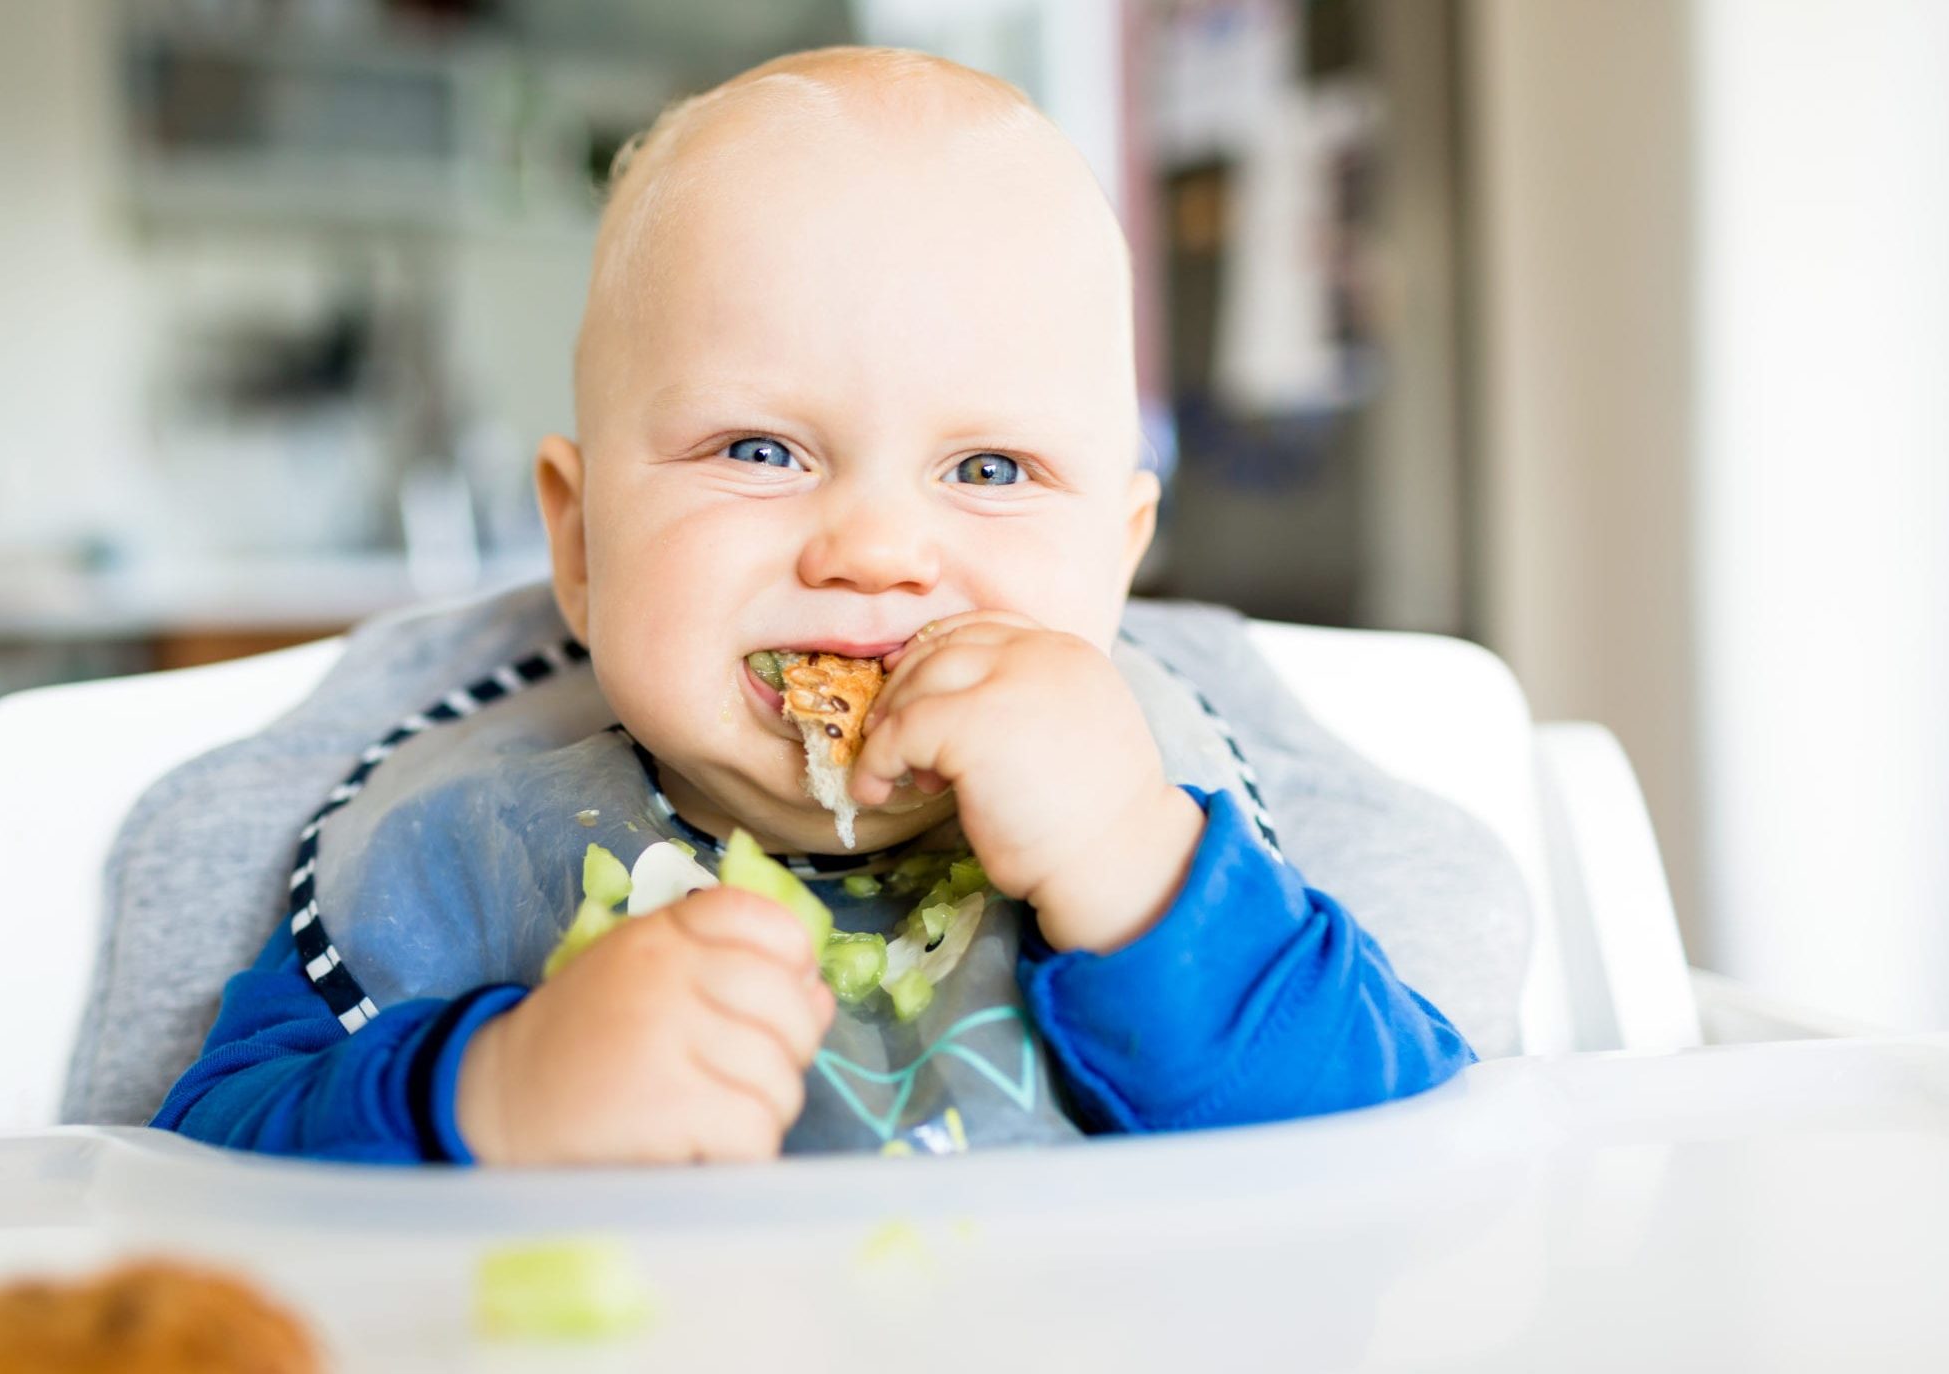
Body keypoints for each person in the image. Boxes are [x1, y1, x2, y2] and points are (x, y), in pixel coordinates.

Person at [135, 48, 1520, 1165]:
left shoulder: (1179, 832)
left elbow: (1400, 1159)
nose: (874, 548)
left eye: (989, 468)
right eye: (759, 450)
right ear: (581, 542)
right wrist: (491, 1089)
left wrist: (1136, 865)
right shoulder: (463, 845)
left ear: (1117, 562)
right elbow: (206, 1155)